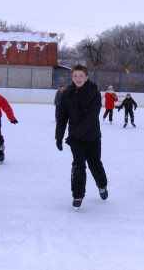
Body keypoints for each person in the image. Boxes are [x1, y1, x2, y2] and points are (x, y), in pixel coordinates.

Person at [55, 65, 109, 209]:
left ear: (86, 77)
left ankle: (102, 185)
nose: (78, 79)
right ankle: (77, 195)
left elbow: (91, 118)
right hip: (76, 139)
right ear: (72, 78)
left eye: (81, 76)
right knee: (78, 166)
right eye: (75, 76)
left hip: (92, 137)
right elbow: (62, 117)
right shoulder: (67, 94)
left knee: (95, 164)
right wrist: (58, 137)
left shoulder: (94, 94)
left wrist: (74, 135)